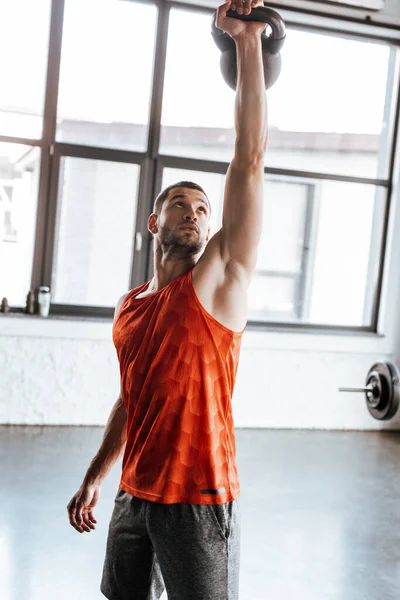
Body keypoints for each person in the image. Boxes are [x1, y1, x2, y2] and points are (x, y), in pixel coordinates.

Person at [67, 1, 268, 598]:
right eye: (180, 203)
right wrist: (95, 477)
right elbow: (133, 398)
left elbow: (249, 162)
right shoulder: (131, 307)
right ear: (154, 222)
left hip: (198, 497)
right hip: (134, 492)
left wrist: (248, 44)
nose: (194, 212)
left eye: (203, 208)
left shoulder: (217, 282)